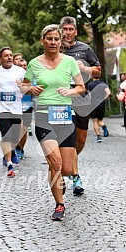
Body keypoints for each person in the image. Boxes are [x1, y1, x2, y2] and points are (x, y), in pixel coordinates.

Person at [18, 24, 85, 221]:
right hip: (43, 116)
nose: (53, 42)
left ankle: (60, 180)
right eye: (49, 39)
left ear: (60, 41)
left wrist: (70, 91)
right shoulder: (34, 63)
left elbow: (81, 87)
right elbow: (23, 86)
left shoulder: (70, 62)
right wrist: (31, 90)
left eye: (56, 39)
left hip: (65, 116)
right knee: (55, 162)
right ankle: (59, 205)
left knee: (65, 168)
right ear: (43, 41)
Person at [59, 16, 101, 194]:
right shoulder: (55, 47)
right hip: (60, 98)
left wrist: (84, 69)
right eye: (65, 29)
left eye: (70, 29)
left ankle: (69, 163)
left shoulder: (85, 49)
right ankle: (75, 176)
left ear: (75, 31)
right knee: (66, 137)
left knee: (81, 139)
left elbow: (98, 70)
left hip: (82, 97)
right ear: (60, 30)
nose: (67, 32)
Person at [0, 47, 25, 177]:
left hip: (16, 108)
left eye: (10, 55)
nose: (9, 57)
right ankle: (9, 164)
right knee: (6, 136)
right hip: (2, 109)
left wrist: (23, 86)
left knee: (14, 137)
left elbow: (27, 87)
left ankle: (11, 151)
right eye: (5, 55)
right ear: (0, 59)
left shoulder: (20, 71)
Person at [16, 58, 34, 159]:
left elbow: (35, 89)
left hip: (28, 106)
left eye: (24, 65)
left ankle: (21, 148)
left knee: (24, 129)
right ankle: (17, 146)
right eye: (21, 65)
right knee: (18, 128)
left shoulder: (31, 77)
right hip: (16, 106)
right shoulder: (14, 77)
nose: (23, 67)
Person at [87, 77, 110, 142]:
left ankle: (99, 137)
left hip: (93, 104)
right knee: (100, 120)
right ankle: (104, 127)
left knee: (95, 121)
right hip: (101, 104)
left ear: (92, 77)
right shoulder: (103, 84)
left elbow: (87, 95)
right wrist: (103, 99)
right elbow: (108, 93)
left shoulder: (90, 85)